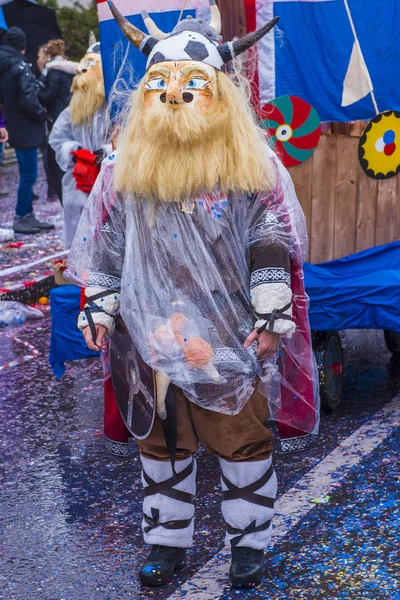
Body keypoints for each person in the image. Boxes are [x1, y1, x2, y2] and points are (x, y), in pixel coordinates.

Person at [66, 2, 318, 590]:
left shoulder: (245, 160)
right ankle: (167, 541)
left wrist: (271, 304)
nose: (175, 95)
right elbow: (110, 239)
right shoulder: (129, 165)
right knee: (161, 439)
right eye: (162, 83)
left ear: (218, 93)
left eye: (192, 83)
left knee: (240, 436)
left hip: (229, 326)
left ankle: (249, 545)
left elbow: (269, 231)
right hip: (148, 326)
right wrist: (100, 301)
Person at [49, 36, 110, 247]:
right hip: (80, 178)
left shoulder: (113, 107)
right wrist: (74, 150)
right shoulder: (72, 110)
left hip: (110, 177)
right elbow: (57, 138)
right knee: (80, 228)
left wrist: (107, 151)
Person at [0, 26, 54, 234]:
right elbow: (29, 100)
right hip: (27, 127)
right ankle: (21, 216)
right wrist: (44, 115)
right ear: (22, 45)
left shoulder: (5, 66)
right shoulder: (20, 67)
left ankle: (27, 215)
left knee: (26, 173)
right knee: (30, 174)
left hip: (14, 124)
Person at [38, 39, 78, 203]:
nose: (38, 60)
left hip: (58, 118)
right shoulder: (70, 69)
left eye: (40, 56)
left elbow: (48, 96)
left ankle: (60, 192)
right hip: (72, 116)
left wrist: (38, 85)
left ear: (48, 56)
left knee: (56, 158)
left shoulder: (53, 72)